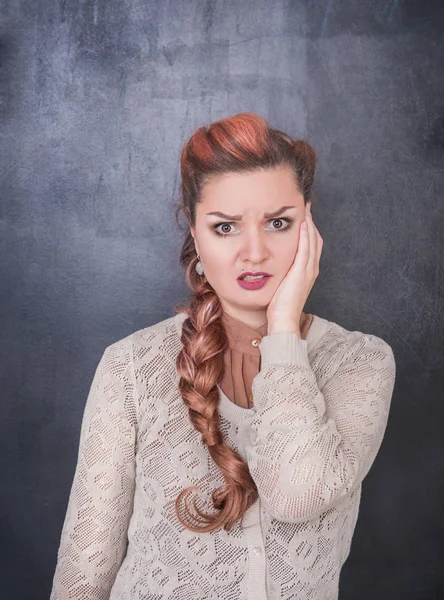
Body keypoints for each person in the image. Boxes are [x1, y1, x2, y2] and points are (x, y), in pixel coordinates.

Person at [50, 112, 396, 600]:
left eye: (278, 223)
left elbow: (297, 494)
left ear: (309, 227)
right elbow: (83, 573)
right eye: (225, 227)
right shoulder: (131, 366)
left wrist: (281, 329)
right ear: (195, 233)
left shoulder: (360, 362)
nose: (254, 252)